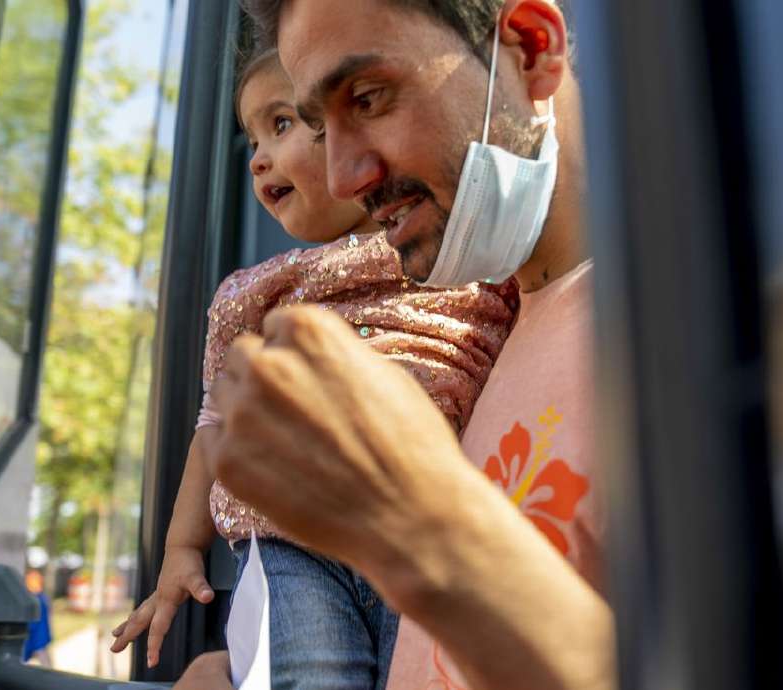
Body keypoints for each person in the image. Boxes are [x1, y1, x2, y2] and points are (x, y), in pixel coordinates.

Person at [157, 1, 615, 689]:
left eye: (367, 98)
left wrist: (419, 527)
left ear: (528, 46)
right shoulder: (495, 339)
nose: (342, 179)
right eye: (315, 126)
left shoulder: (705, 330)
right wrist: (250, 667)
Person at [109, 44, 519, 690]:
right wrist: (181, 550)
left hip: (425, 527)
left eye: (281, 124)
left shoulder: (455, 253)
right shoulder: (260, 290)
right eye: (251, 139)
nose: (259, 157)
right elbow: (217, 420)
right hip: (289, 533)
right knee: (313, 674)